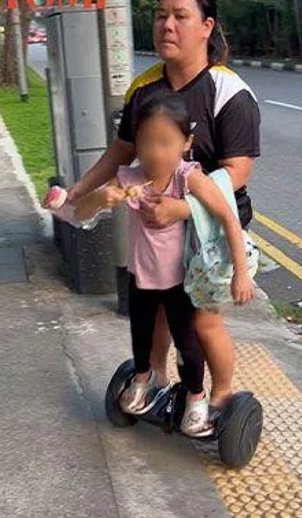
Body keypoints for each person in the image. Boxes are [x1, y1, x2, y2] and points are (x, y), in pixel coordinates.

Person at [44, 0, 261, 415]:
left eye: (180, 16)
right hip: (157, 224)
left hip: (209, 226)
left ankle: (220, 397)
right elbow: (121, 152)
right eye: (161, 16)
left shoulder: (230, 93)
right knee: (157, 305)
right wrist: (77, 191)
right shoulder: (144, 89)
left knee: (200, 319)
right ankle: (156, 377)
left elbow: (237, 172)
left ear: (206, 26)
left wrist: (183, 207)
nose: (167, 25)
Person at [72, 92, 253, 435]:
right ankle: (143, 378)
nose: (155, 152)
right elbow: (81, 213)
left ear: (186, 143)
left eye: (165, 142)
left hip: (178, 282)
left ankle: (197, 398)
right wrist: (98, 197)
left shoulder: (187, 177)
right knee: (140, 335)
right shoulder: (128, 178)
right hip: (140, 277)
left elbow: (229, 219)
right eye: (146, 142)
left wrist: (240, 274)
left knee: (187, 343)